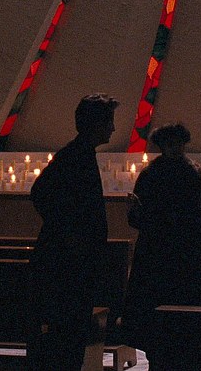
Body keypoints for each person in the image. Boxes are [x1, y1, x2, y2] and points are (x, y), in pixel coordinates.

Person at [26, 93, 119, 371]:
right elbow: (41, 193)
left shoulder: (79, 154)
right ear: (95, 124)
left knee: (71, 338)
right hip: (68, 266)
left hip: (74, 262)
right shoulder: (75, 156)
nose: (114, 128)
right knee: (67, 339)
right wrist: (69, 235)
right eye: (109, 122)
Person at [119, 123, 201, 369]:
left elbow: (138, 217)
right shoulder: (190, 173)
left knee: (160, 322)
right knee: (177, 323)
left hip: (158, 256)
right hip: (180, 257)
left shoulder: (152, 174)